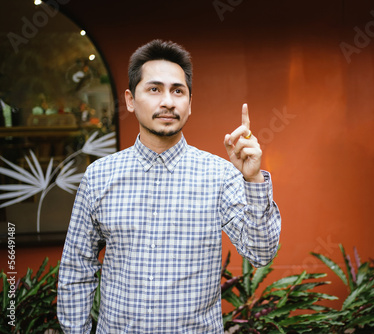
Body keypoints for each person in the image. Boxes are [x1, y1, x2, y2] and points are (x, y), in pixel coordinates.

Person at [57, 39, 281, 333]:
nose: (168, 101)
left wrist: (252, 179)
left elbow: (260, 253)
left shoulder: (220, 176)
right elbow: (77, 268)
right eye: (154, 89)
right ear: (130, 100)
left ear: (190, 103)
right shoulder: (99, 177)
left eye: (178, 91)